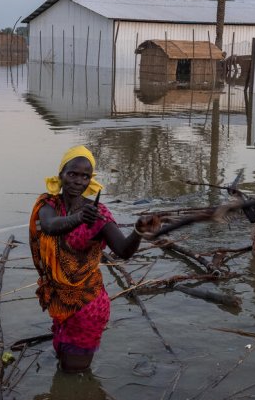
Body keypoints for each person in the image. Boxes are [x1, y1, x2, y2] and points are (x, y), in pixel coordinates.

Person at [30, 145, 159, 373]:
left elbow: (123, 250)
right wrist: (79, 218)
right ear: (61, 174)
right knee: (65, 366)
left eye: (85, 176)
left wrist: (138, 232)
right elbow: (49, 227)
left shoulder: (98, 215)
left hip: (87, 307)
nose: (78, 181)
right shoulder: (48, 204)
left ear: (90, 181)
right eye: (73, 174)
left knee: (73, 376)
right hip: (60, 303)